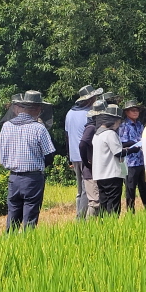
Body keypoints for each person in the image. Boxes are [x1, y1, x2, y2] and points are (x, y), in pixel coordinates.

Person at [0, 90, 57, 231]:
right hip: (33, 178)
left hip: (13, 178)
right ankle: (27, 246)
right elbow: (50, 154)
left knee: (12, 217)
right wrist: (42, 165)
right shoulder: (39, 128)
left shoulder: (6, 126)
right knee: (30, 219)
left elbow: (2, 154)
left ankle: (9, 246)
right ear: (37, 109)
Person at [65, 85, 102, 218]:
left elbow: (67, 136)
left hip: (74, 156)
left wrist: (69, 156)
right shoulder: (89, 114)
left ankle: (78, 213)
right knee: (88, 189)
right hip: (87, 155)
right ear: (91, 99)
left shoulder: (69, 113)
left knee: (80, 190)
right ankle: (81, 218)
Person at [91, 104, 128, 215]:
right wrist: (132, 150)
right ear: (113, 120)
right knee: (113, 203)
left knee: (104, 202)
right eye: (118, 121)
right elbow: (118, 153)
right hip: (112, 174)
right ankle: (112, 225)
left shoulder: (97, 135)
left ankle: (103, 226)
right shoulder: (110, 134)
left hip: (100, 175)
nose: (119, 124)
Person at [77, 98, 106, 218]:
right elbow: (82, 144)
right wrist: (86, 162)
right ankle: (88, 228)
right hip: (91, 171)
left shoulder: (98, 128)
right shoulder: (91, 128)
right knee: (94, 203)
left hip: (97, 170)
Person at [119, 99, 146, 212]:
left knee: (144, 187)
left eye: (137, 110)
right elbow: (121, 143)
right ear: (127, 112)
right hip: (130, 162)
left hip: (141, 160)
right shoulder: (124, 126)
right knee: (130, 189)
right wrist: (133, 144)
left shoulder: (140, 125)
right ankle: (131, 212)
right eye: (133, 110)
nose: (136, 112)